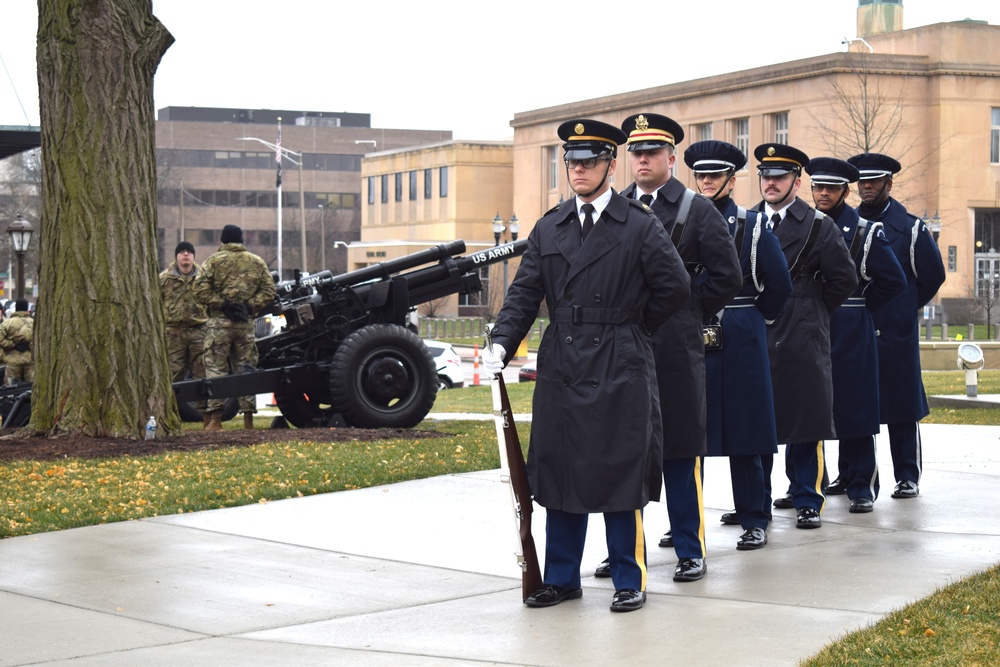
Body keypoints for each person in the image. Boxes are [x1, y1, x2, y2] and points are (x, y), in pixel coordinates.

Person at [482, 118, 690, 612]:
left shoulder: (638, 223)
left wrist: (631, 325)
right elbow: (525, 294)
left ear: (609, 165)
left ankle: (627, 577)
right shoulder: (549, 225)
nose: (578, 170)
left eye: (589, 161)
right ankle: (560, 577)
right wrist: (501, 344)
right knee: (561, 472)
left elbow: (675, 289)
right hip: (564, 362)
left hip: (619, 359)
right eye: (571, 162)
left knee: (621, 473)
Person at [601, 113, 741, 583]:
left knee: (681, 452)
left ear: (671, 157)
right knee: (622, 453)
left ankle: (689, 548)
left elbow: (727, 276)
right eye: (635, 152)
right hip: (624, 348)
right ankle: (624, 551)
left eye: (652, 152)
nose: (642, 159)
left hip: (676, 351)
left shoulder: (697, 210)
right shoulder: (614, 207)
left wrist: (685, 309)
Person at [684, 140, 791, 549]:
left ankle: (754, 515)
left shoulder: (753, 225)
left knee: (747, 429)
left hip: (742, 331)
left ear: (732, 178)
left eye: (715, 175)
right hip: (692, 330)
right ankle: (685, 521)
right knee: (688, 432)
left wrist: (753, 318)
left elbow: (778, 283)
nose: (707, 181)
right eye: (701, 175)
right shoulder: (682, 220)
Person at [752, 143, 858, 529]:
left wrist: (812, 309)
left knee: (806, 417)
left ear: (797, 182)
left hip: (803, 329)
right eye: (766, 175)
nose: (771, 183)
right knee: (757, 419)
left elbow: (844, 279)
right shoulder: (748, 222)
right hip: (759, 328)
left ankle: (807, 497)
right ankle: (754, 500)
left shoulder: (818, 224)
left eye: (780, 176)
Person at [805, 157, 906, 513]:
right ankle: (808, 483)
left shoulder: (865, 230)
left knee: (856, 405)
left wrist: (861, 306)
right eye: (818, 187)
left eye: (831, 188)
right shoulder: (803, 225)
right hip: (809, 325)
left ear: (845, 191)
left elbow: (894, 281)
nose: (823, 193)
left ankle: (862, 484)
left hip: (851, 325)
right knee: (806, 405)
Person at [847, 152, 946, 499]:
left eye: (874, 181)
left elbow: (933, 277)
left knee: (902, 407)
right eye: (862, 181)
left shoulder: (911, 227)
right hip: (858, 327)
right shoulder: (849, 223)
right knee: (854, 404)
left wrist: (905, 308)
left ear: (889, 183)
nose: (867, 186)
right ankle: (852, 476)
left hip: (896, 331)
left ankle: (907, 474)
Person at [193, 224, 276, 431]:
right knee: (246, 369)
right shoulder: (256, 262)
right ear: (241, 240)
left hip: (219, 325)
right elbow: (269, 290)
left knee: (215, 369)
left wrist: (223, 304)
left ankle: (215, 420)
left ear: (223, 241)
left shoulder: (213, 262)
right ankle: (248, 419)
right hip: (245, 326)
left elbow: (199, 289)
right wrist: (248, 306)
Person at [159, 241, 209, 422]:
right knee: (173, 374)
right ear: (177, 256)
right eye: (182, 252)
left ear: (194, 256)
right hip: (174, 332)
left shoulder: (204, 277)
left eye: (189, 252)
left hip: (199, 331)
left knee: (201, 374)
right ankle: (171, 414)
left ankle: (206, 416)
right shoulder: (164, 279)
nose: (185, 255)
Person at [0, 299, 33, 385]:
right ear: (27, 309)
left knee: (11, 389)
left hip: (12, 361)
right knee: (31, 388)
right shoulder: (34, 323)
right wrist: (30, 345)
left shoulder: (8, 323)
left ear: (16, 308)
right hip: (30, 360)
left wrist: (11, 344)